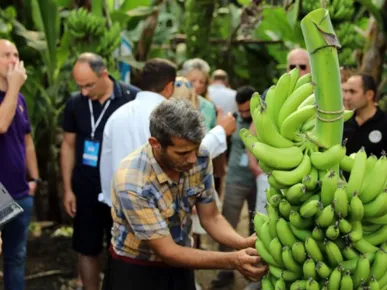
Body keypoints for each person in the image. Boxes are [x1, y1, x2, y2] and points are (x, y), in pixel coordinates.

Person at [102, 98, 267, 290]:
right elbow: (168, 251)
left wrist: (242, 243)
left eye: (195, 149)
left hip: (184, 261)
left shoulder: (200, 156)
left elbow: (211, 217)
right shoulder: (133, 181)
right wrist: (234, 260)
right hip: (137, 268)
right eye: (182, 153)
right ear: (156, 144)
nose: (192, 159)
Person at [100, 61, 235, 208]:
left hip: (119, 205)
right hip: (158, 207)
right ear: (170, 87)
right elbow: (186, 154)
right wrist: (220, 131)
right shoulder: (165, 117)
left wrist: (110, 200)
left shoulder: (116, 115)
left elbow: (106, 166)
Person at [60, 52, 139, 290]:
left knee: (122, 249)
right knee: (86, 247)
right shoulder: (75, 103)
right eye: (79, 86)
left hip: (121, 189)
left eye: (89, 85)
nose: (84, 91)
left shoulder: (131, 98)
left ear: (104, 74)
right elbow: (68, 145)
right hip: (86, 187)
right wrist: (67, 189)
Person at [211, 86, 259, 290]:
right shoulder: (233, 119)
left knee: (256, 227)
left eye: (249, 111)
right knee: (227, 222)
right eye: (242, 111)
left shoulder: (266, 121)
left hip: (259, 180)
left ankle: (254, 271)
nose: (245, 115)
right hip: (236, 180)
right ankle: (226, 271)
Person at [0, 39, 39, 290]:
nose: (13, 60)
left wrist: (34, 179)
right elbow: (2, 125)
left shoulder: (20, 98)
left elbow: (27, 142)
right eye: (6, 55)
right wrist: (13, 86)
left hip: (20, 194)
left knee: (16, 259)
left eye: (15, 54)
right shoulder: (15, 92)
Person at [343, 73, 387, 157]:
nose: (346, 97)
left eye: (352, 91)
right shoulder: (343, 122)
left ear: (369, 94)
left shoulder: (384, 123)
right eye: (345, 91)